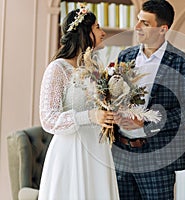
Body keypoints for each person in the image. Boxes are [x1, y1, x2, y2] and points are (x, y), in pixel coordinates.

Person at [112, 0, 185, 199]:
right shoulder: (124, 56)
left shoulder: (181, 61)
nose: (137, 27)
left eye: (145, 23)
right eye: (138, 21)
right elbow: (115, 96)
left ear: (163, 29)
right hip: (120, 154)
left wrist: (148, 119)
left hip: (158, 158)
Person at [38, 5, 119, 200]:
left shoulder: (94, 68)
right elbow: (48, 119)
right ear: (84, 32)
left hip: (98, 150)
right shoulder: (57, 69)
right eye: (98, 27)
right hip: (71, 152)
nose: (103, 33)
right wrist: (91, 116)